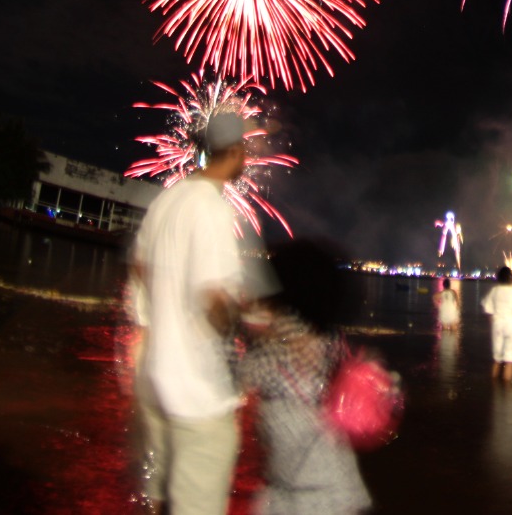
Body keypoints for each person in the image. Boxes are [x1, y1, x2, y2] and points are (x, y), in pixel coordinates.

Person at [132, 111, 249, 515]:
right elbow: (215, 302)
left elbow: (139, 267)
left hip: (154, 377)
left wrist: (163, 310)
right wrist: (247, 319)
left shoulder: (168, 198)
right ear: (233, 152)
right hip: (196, 393)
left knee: (161, 495)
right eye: (245, 149)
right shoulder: (212, 209)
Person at [239, 238, 371, 515]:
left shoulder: (272, 355)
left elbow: (232, 383)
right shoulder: (332, 345)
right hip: (341, 493)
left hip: (297, 499)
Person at [481, 266, 512, 382]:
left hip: (498, 325)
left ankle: (494, 390)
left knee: (497, 360)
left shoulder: (494, 290)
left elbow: (488, 309)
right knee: (510, 361)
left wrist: (494, 322)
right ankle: (506, 393)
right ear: (511, 277)